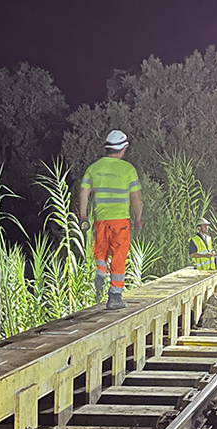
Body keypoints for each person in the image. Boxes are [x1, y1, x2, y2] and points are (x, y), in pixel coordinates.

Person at [78, 130, 142, 310]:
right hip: (120, 220)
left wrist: (83, 215)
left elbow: (83, 193)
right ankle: (114, 296)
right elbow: (136, 198)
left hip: (100, 219)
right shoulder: (128, 169)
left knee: (101, 249)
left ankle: (100, 271)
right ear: (124, 148)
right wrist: (138, 217)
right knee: (119, 256)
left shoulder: (94, 168)